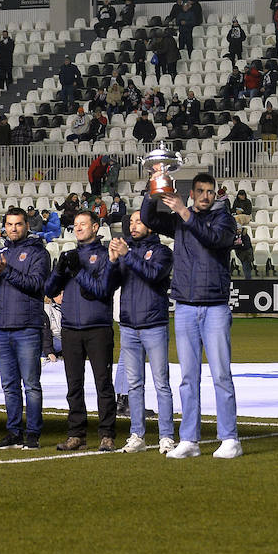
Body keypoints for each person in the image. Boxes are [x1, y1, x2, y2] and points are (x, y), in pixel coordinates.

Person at [141, 173, 242, 459]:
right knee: (188, 377)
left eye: (210, 191)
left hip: (214, 307)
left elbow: (211, 238)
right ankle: (189, 440)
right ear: (193, 192)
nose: (206, 196)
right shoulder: (180, 222)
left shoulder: (224, 220)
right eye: (201, 191)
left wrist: (184, 212)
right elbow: (149, 219)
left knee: (221, 374)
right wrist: (154, 190)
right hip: (185, 305)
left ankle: (230, 438)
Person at [46, 210, 121, 451]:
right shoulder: (69, 256)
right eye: (75, 225)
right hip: (71, 329)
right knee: (73, 385)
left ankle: (107, 434)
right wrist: (59, 270)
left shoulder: (104, 255)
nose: (77, 228)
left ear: (96, 227)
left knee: (103, 384)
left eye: (83, 224)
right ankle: (76, 433)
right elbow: (49, 289)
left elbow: (101, 290)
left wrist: (77, 271)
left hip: (98, 327)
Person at [0, 207, 52, 450]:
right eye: (9, 224)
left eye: (18, 224)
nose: (13, 228)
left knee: (31, 384)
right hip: (2, 327)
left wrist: (6, 271)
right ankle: (14, 432)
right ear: (4, 227)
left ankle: (33, 433)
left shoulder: (38, 253)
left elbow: (36, 285)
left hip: (27, 327)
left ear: (27, 226)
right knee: (9, 384)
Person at [109, 210, 175, 454]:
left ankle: (166, 436)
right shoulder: (126, 251)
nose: (133, 225)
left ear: (151, 225)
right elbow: (110, 284)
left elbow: (153, 274)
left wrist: (127, 255)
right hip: (128, 325)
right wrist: (113, 261)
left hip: (154, 324)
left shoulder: (162, 252)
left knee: (161, 383)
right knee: (134, 385)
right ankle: (137, 435)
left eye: (139, 221)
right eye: (132, 221)